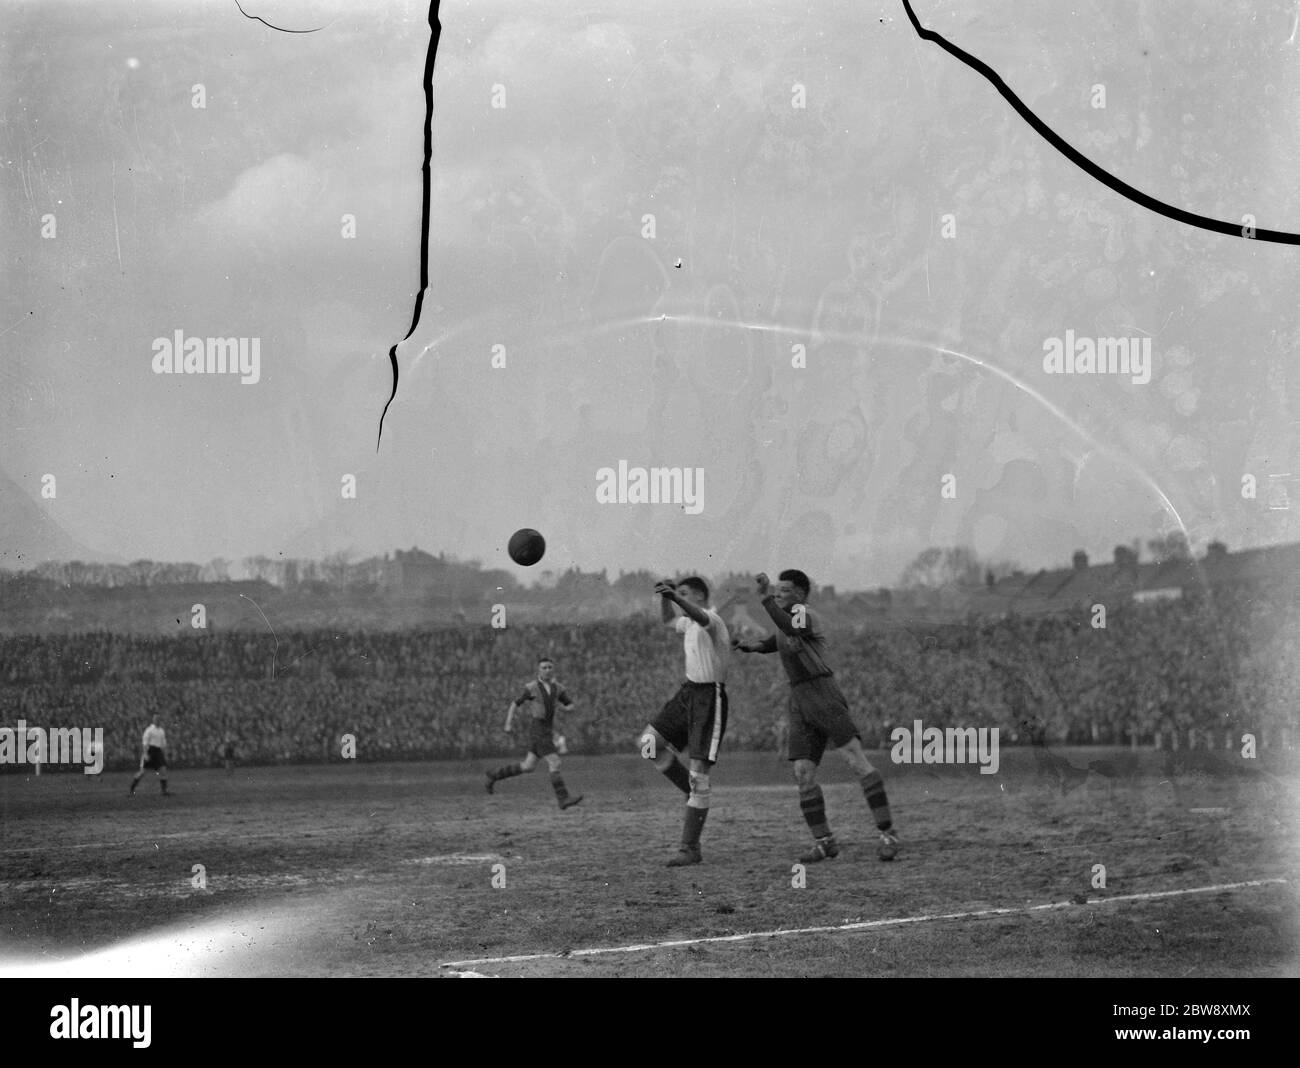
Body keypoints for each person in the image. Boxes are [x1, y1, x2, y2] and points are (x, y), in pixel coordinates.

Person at [734, 570, 899, 863]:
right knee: (803, 772)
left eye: (784, 590)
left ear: (800, 594)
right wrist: (750, 646)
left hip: (822, 691)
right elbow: (775, 640)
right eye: (778, 590)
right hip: (799, 699)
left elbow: (790, 627)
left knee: (854, 759)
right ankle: (825, 842)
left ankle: (888, 834)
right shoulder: (787, 623)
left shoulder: (805, 615)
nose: (778, 593)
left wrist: (765, 600)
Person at [639, 576, 731, 867]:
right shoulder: (688, 623)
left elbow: (697, 614)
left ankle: (690, 848)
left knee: (700, 773)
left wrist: (676, 598)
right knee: (648, 744)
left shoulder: (711, 618)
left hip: (709, 696)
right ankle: (690, 795)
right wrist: (665, 598)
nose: (680, 598)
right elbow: (669, 621)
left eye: (685, 593)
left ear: (701, 596)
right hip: (688, 692)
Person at [485, 657, 583, 810]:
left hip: (547, 729)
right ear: (538, 670)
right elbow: (515, 703)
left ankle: (494, 775)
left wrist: (565, 708)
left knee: (528, 766)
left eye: (550, 667)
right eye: (544, 667)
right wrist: (508, 723)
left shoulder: (558, 688)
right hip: (538, 729)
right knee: (555, 762)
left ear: (553, 669)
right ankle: (563, 798)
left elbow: (571, 705)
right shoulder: (531, 687)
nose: (547, 670)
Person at [129, 721, 170, 796]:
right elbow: (145, 742)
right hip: (150, 751)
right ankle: (132, 789)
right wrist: (145, 754)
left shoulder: (161, 731)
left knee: (163, 770)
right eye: (156, 718)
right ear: (154, 720)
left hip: (158, 752)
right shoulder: (149, 730)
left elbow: (163, 743)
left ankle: (164, 791)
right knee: (142, 772)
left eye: (159, 718)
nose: (158, 720)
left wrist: (164, 753)